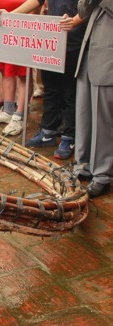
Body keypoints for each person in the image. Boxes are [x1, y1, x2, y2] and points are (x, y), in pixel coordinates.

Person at [7, 0, 86, 160]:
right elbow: (37, 1)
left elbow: (90, 7)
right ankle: (48, 132)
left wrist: (74, 21)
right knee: (50, 89)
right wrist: (10, 16)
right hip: (51, 39)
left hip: (74, 41)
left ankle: (69, 137)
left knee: (70, 93)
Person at [70, 0, 113, 198]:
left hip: (107, 55)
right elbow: (83, 11)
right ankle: (83, 163)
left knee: (102, 119)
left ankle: (102, 174)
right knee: (84, 111)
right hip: (89, 50)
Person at [0, 0, 32, 136]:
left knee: (23, 73)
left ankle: (19, 116)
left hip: (22, 24)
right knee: (5, 69)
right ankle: (8, 110)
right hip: (1, 22)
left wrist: (15, 16)